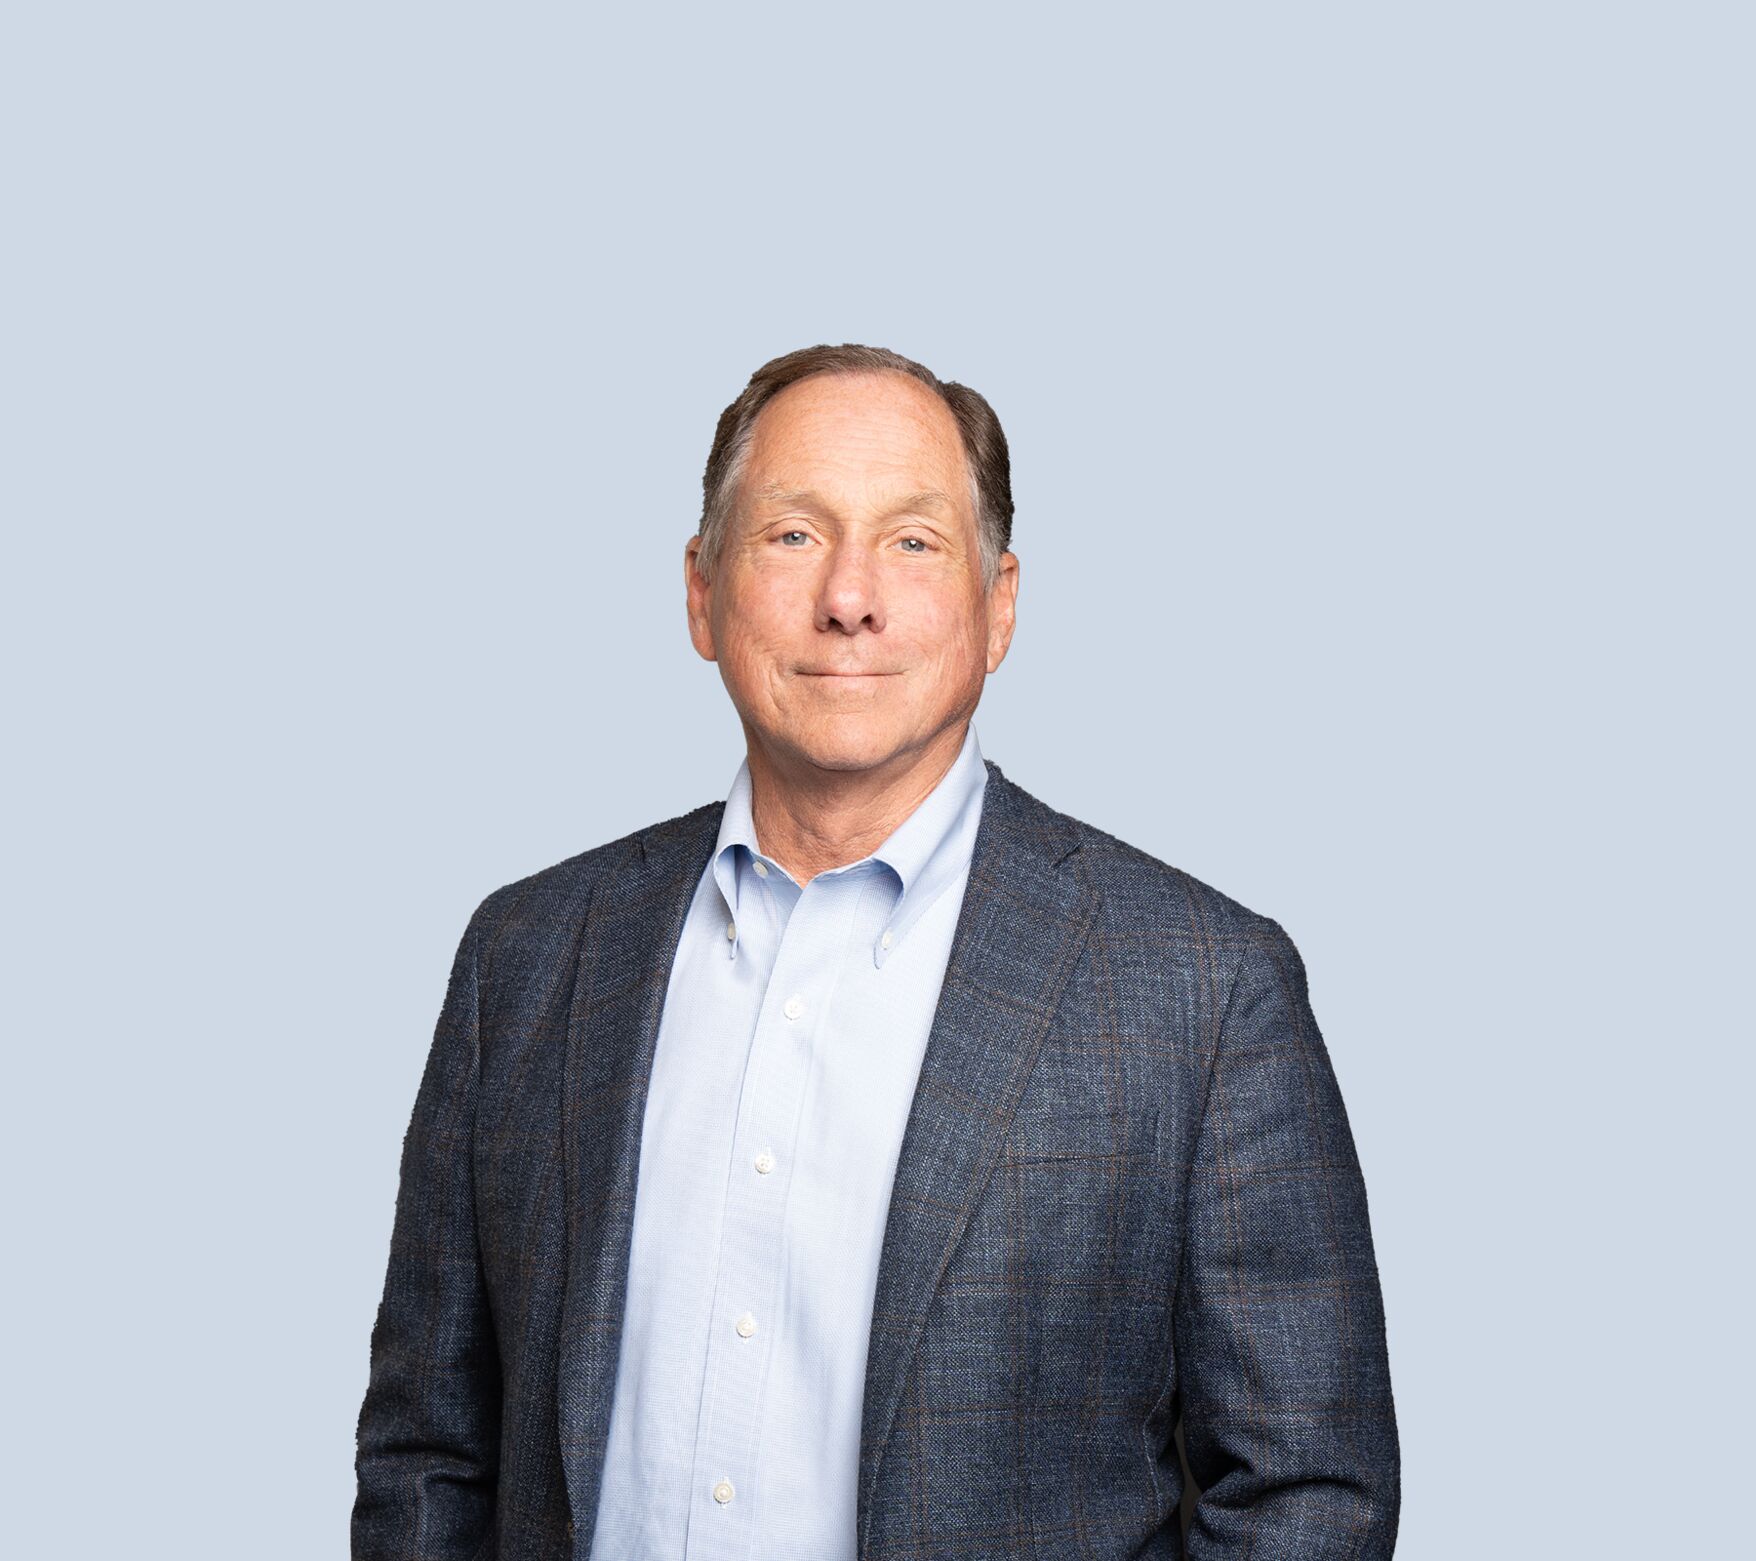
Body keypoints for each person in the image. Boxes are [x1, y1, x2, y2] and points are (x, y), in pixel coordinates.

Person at [351, 343, 1401, 1559]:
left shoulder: (1203, 991)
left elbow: (1304, 1491)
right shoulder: (527, 959)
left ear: (999, 603)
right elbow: (429, 1450)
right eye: (791, 535)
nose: (848, 597)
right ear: (699, 591)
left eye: (911, 541)